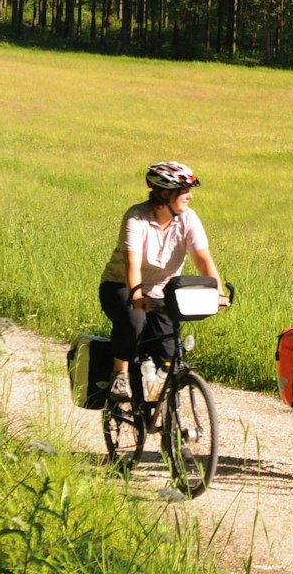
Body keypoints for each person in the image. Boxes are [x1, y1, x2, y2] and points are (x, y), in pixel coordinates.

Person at [99, 160, 228, 409]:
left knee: (167, 352)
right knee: (134, 322)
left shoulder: (188, 220)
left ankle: (154, 405)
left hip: (160, 292)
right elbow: (132, 263)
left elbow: (203, 259)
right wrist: (136, 296)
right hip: (121, 286)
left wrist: (218, 292)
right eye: (184, 192)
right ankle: (121, 374)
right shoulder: (137, 218)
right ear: (165, 193)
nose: (190, 197)